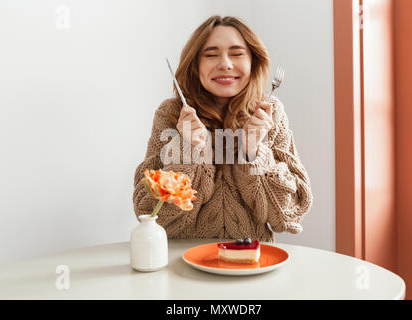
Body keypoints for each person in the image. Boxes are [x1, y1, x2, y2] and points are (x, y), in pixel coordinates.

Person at [133, 15, 313, 242]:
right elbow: (148, 210)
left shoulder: (271, 112)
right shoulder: (172, 113)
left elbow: (289, 214)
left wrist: (253, 154)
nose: (226, 64)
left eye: (237, 54)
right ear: (195, 65)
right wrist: (188, 152)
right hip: (182, 262)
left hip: (251, 263)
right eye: (211, 55)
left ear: (253, 62)